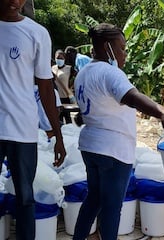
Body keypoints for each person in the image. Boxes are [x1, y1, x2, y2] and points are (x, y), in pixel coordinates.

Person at [72, 22, 164, 240]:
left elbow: (86, 112)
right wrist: (162, 111)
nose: (125, 54)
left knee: (93, 199)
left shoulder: (83, 73)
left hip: (91, 147)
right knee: (112, 208)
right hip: (113, 150)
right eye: (121, 48)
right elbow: (131, 97)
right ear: (107, 46)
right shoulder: (111, 73)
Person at [0, 1, 66, 240]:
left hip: (23, 129)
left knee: (26, 197)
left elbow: (46, 88)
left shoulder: (36, 33)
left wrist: (57, 134)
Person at [52, 49, 75, 124]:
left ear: (64, 59)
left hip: (66, 97)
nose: (59, 60)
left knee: (67, 118)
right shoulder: (53, 68)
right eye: (58, 58)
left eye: (61, 58)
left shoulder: (69, 68)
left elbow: (77, 77)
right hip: (56, 97)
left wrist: (71, 86)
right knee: (58, 119)